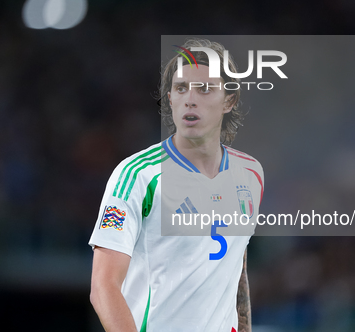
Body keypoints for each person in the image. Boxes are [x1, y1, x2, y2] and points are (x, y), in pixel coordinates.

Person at [89, 38, 264, 332]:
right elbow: (103, 286)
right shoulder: (138, 176)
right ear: (170, 98)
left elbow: (236, 267)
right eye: (181, 88)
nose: (190, 99)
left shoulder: (250, 173)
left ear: (229, 100)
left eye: (205, 89)